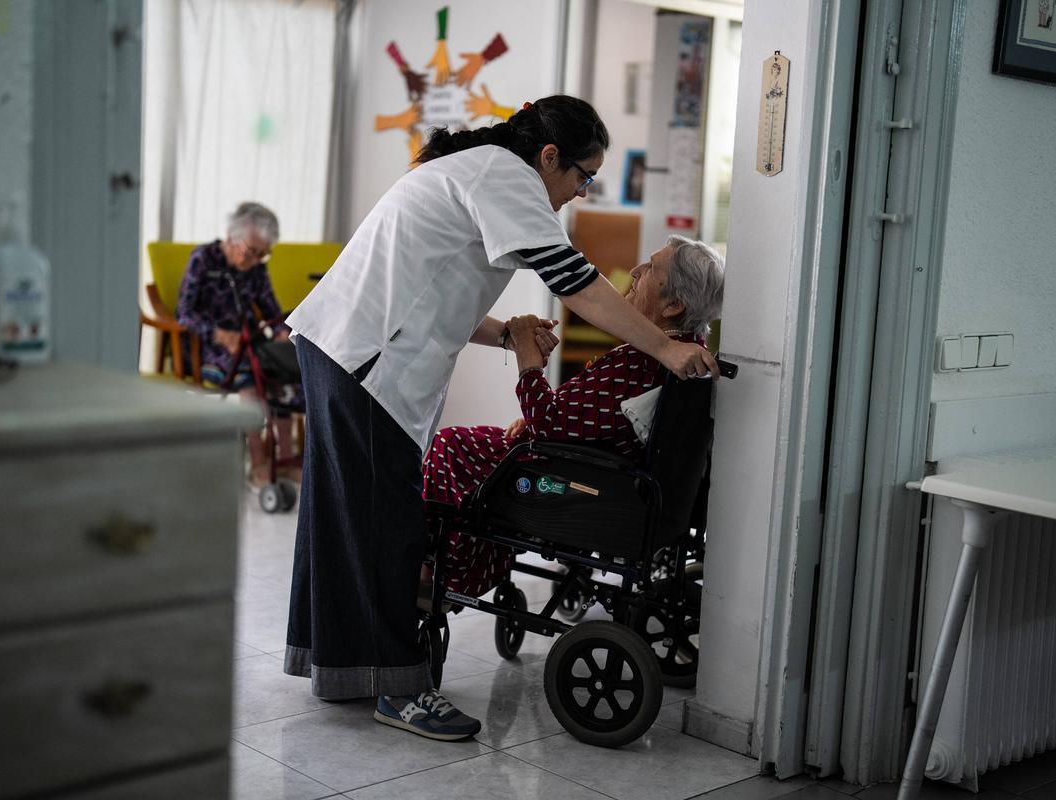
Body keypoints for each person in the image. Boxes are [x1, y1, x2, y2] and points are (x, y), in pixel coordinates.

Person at [282, 95, 720, 742]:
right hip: (363, 356)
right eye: (582, 176)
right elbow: (573, 278)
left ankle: (344, 667)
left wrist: (507, 335)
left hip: (343, 344)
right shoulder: (505, 174)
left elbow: (432, 287)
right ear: (549, 157)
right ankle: (398, 689)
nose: (580, 192)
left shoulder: (479, 170)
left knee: (346, 512)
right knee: (384, 521)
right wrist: (663, 345)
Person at [425, 236, 725, 600]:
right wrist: (539, 417)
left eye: (650, 268)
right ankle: (469, 567)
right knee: (484, 445)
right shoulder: (688, 355)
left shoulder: (639, 362)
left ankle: (435, 573)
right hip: (596, 468)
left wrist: (527, 359)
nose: (635, 270)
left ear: (674, 304)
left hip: (568, 479)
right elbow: (584, 420)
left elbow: (549, 423)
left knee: (451, 444)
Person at [175, 202, 295, 487]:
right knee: (249, 378)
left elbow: (271, 310)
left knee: (285, 373)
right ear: (231, 237)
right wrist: (218, 335)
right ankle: (258, 462)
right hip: (207, 350)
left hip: (249, 346)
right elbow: (184, 314)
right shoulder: (203, 259)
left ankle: (286, 460)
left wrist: (281, 332)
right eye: (251, 252)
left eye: (263, 255)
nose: (255, 261)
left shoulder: (256, 270)